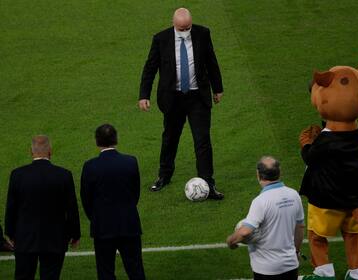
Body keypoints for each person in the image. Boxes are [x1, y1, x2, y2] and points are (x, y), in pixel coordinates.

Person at [138, 7, 224, 199]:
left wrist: (217, 89)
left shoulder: (202, 33)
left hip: (197, 98)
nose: (185, 32)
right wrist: (144, 95)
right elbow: (150, 68)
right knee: (170, 138)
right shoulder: (161, 39)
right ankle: (164, 176)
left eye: (188, 28)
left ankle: (208, 182)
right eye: (181, 29)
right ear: (174, 24)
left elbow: (211, 61)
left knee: (202, 140)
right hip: (173, 99)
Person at [4, 135, 81, 280]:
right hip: (55, 239)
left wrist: (10, 233)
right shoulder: (64, 175)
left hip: (25, 238)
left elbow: (11, 207)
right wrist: (75, 234)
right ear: (50, 151)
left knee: (23, 276)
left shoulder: (18, 175)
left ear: (31, 152)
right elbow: (71, 209)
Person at [80, 124, 146, 280]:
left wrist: (96, 217)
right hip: (128, 224)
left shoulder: (90, 166)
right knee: (135, 269)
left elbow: (86, 199)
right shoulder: (130, 162)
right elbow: (135, 193)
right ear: (116, 139)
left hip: (102, 226)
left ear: (97, 141)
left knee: (105, 272)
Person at [227, 156, 305, 280]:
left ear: (258, 175)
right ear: (280, 173)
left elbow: (245, 231)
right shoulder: (294, 195)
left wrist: (231, 241)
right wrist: (296, 251)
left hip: (266, 269)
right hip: (290, 265)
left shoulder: (261, 201)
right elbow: (300, 227)